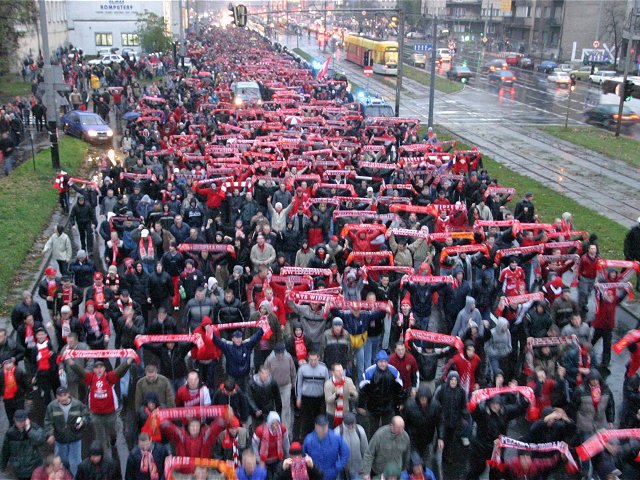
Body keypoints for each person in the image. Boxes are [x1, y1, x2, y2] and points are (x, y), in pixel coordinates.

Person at [67, 353, 136, 458]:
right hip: (96, 414)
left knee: (112, 431)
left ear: (104, 369)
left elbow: (120, 371)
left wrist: (129, 360)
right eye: (96, 368)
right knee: (99, 437)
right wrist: (71, 361)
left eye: (101, 367)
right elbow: (80, 371)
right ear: (94, 370)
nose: (99, 369)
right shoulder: (90, 378)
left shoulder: (109, 377)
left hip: (110, 413)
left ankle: (113, 438)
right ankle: (103, 455)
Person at [44, 386, 90, 477]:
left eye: (64, 395)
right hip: (60, 440)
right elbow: (48, 422)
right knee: (61, 462)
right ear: (56, 396)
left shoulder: (78, 404)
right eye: (60, 396)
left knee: (75, 463)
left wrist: (83, 421)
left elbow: (87, 415)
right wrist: (50, 434)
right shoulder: (52, 407)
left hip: (75, 439)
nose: (63, 398)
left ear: (68, 394)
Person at [358, 350, 404, 438]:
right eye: (381, 361)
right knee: (373, 430)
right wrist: (361, 405)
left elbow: (399, 389)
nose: (383, 364)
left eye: (385, 361)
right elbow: (363, 390)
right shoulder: (369, 372)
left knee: (387, 430)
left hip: (388, 406)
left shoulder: (394, 371)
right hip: (373, 406)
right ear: (377, 362)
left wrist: (400, 402)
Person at [0, 409, 46, 480]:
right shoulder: (10, 433)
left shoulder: (34, 427)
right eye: (18, 421)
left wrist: (29, 430)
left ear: (27, 419)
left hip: (34, 466)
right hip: (20, 470)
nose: (20, 423)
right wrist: (2, 466)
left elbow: (41, 440)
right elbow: (5, 451)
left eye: (22, 421)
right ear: (14, 419)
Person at [302, 415, 350, 480]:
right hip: (315, 474)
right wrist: (310, 468)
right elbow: (303, 456)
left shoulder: (335, 437)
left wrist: (337, 467)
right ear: (316, 426)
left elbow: (345, 452)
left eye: (325, 426)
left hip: (331, 474)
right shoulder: (308, 440)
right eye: (321, 427)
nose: (323, 429)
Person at [296, 351, 330, 438]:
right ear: (308, 359)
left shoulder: (324, 369)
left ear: (318, 358)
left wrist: (327, 398)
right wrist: (298, 398)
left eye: (315, 360)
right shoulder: (302, 369)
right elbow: (298, 384)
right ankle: (305, 438)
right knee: (306, 420)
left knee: (319, 419)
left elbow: (327, 385)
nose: (313, 362)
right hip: (306, 398)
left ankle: (319, 437)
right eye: (311, 360)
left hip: (319, 399)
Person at [264, 344, 296, 433]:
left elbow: (293, 371)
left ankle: (286, 429)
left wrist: (293, 383)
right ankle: (273, 428)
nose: (280, 355)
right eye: (278, 353)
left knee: (286, 407)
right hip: (274, 387)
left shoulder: (288, 357)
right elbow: (265, 372)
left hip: (286, 386)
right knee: (274, 408)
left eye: (282, 353)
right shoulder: (269, 359)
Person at [252, 411, 290, 479]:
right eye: (273, 423)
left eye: (277, 423)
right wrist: (259, 460)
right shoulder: (260, 431)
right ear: (269, 423)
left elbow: (286, 442)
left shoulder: (282, 429)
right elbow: (254, 445)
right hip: (264, 460)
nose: (275, 425)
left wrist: (288, 454)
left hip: (278, 459)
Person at [335, 412, 368, 480]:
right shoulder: (337, 433)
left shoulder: (360, 431)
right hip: (341, 469)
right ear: (344, 423)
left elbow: (365, 450)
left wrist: (366, 468)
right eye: (348, 425)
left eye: (352, 424)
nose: (350, 427)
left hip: (357, 468)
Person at [324, 362, 358, 427]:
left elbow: (355, 396)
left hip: (345, 412)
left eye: (341, 370)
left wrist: (352, 393)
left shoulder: (348, 381)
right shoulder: (328, 384)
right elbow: (328, 400)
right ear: (332, 372)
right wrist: (336, 394)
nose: (341, 372)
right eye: (338, 371)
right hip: (332, 413)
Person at [0, 355, 30, 425]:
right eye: (6, 363)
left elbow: (26, 384)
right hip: (7, 400)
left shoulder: (18, 371)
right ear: (3, 365)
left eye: (10, 362)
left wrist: (28, 397)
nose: (9, 365)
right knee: (11, 419)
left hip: (19, 398)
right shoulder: (1, 374)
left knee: (21, 417)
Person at [624, 216, 640, 291]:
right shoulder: (633, 231)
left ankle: (638, 286)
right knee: (626, 268)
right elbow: (627, 242)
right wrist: (627, 252)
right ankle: (621, 281)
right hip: (631, 253)